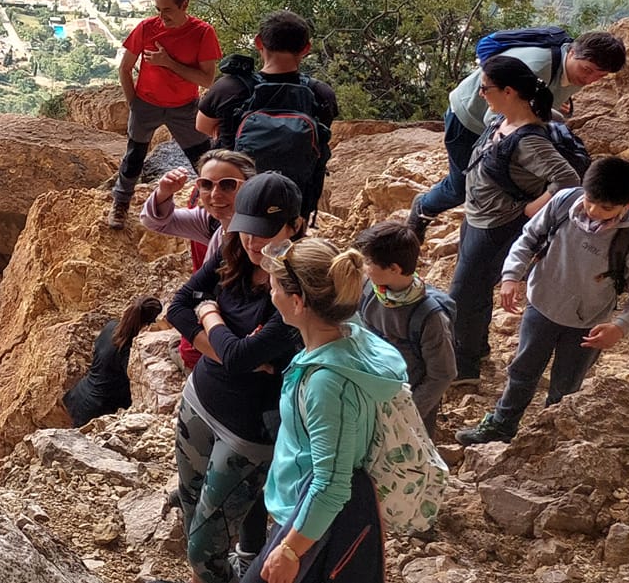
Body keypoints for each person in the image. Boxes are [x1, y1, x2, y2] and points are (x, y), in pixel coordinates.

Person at [167, 173, 306, 583]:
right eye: (247, 229)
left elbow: (239, 354)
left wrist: (209, 314)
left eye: (265, 232)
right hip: (199, 402)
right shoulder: (233, 253)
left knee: (203, 551)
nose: (253, 242)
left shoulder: (298, 286)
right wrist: (227, 349)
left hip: (246, 433)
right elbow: (178, 305)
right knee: (191, 505)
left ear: (296, 227)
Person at [242, 238, 405, 583]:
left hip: (308, 519)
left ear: (298, 302)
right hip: (305, 510)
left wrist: (290, 550)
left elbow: (331, 483)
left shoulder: (326, 384)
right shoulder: (352, 333)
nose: (272, 296)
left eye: (275, 289)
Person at [458, 156, 629, 445]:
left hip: (588, 324)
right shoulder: (566, 202)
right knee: (522, 370)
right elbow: (529, 238)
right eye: (590, 199)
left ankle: (549, 437)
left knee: (566, 385)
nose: (592, 210)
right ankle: (502, 425)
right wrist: (511, 275)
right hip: (541, 305)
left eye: (605, 208)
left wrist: (620, 327)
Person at [448, 55, 585, 388]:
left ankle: (465, 368)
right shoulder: (502, 119)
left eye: (486, 88)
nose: (481, 94)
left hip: (497, 225)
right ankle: (474, 351)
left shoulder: (529, 140)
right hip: (478, 217)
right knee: (471, 290)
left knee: (465, 294)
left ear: (508, 91)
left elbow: (568, 180)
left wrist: (529, 209)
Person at [408, 31, 625, 241]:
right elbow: (494, 117)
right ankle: (423, 207)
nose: (589, 80)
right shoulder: (538, 67)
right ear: (571, 52)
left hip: (506, 123)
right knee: (460, 187)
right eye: (587, 71)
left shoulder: (575, 70)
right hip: (469, 118)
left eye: (600, 76)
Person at [197, 12, 338, 221]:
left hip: (236, 199)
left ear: (258, 42)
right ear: (306, 49)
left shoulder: (229, 87)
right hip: (294, 201)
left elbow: (202, 125)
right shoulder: (321, 94)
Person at [109, 0, 222, 229]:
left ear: (185, 5)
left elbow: (206, 79)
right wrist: (134, 103)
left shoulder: (202, 33)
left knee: (203, 159)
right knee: (134, 156)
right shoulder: (147, 28)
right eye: (158, 9)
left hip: (184, 108)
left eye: (168, 10)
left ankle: (217, 207)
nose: (162, 16)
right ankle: (120, 204)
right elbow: (125, 67)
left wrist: (168, 63)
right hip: (146, 104)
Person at [144, 151, 257, 371]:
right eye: (206, 184)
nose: (215, 194)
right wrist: (163, 193)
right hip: (222, 337)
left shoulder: (256, 242)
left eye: (227, 185)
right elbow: (155, 222)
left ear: (251, 186)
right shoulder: (213, 221)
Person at [352, 220, 455, 435]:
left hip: (409, 406)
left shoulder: (430, 318)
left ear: (394, 269)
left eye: (369, 262)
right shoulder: (369, 288)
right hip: (373, 391)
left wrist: (405, 415)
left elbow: (442, 375)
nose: (364, 267)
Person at [63, 295, 164, 427]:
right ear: (148, 324)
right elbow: (141, 381)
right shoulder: (128, 351)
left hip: (80, 394)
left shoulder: (111, 326)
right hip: (97, 407)